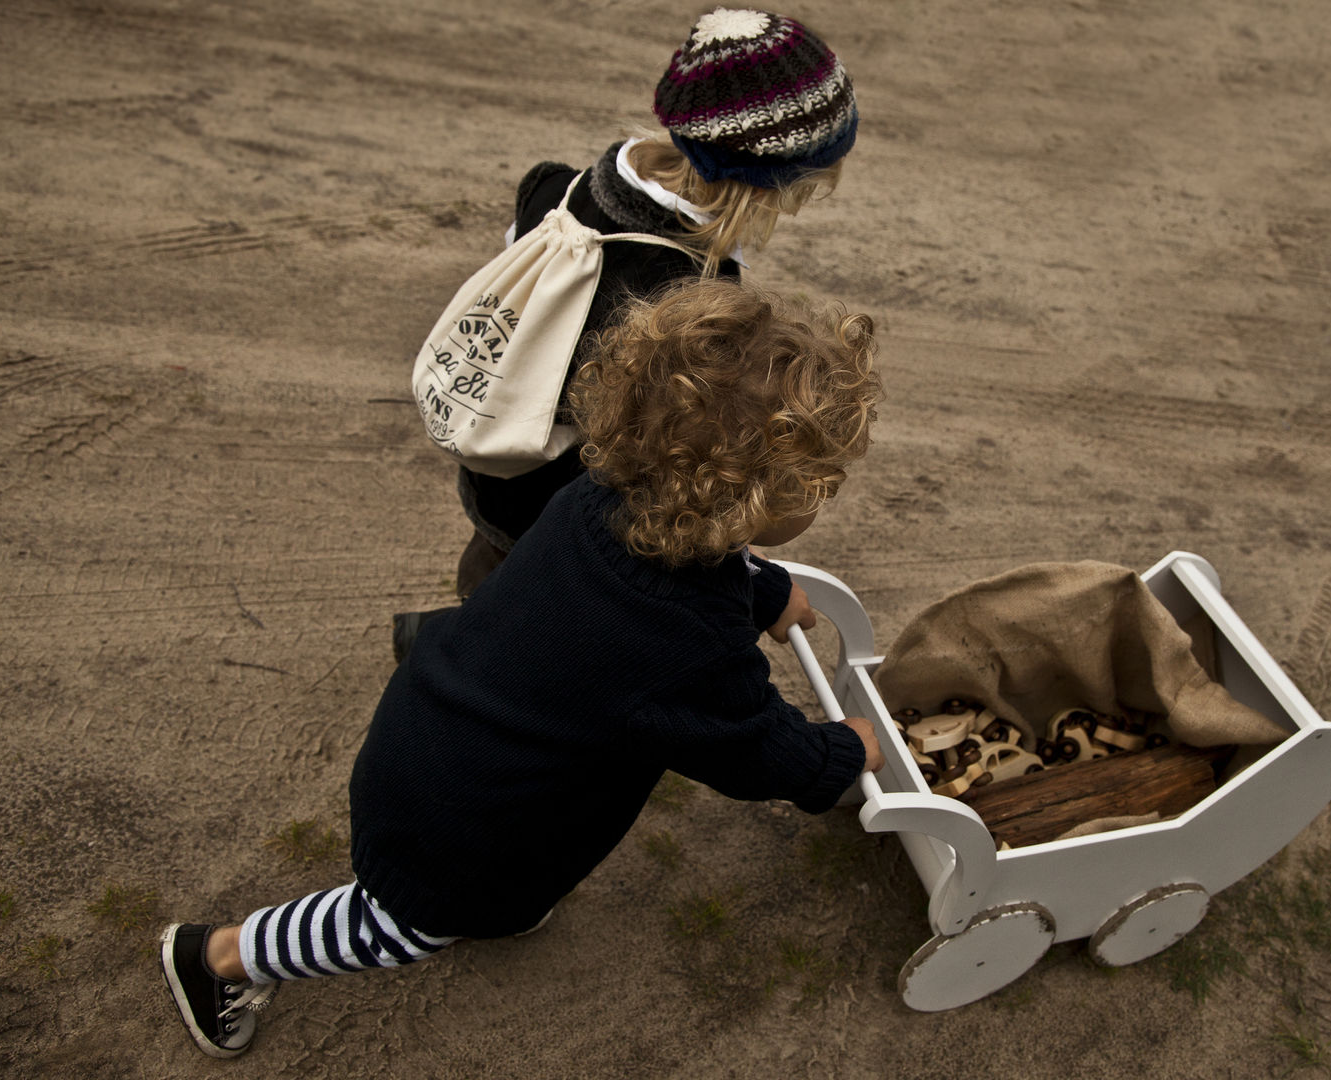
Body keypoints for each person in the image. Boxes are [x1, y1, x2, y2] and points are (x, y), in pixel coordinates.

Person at [160, 278, 887, 1059]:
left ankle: (496, 904)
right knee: (400, 928)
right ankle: (218, 955)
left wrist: (766, 590)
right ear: (756, 495)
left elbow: (688, 575)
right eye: (818, 484)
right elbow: (751, 748)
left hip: (436, 727)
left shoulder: (596, 500)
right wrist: (843, 752)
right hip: (460, 821)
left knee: (507, 878)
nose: (824, 496)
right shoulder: (689, 648)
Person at [392, 6, 860, 662]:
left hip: (496, 450)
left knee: (498, 567)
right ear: (768, 184)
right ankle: (450, 659)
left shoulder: (561, 186)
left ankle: (461, 632)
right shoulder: (684, 306)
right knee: (556, 629)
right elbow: (666, 465)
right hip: (568, 507)